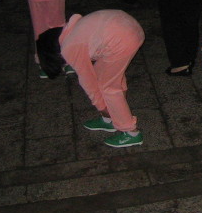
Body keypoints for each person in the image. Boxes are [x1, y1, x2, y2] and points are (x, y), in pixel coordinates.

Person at [36, 10, 146, 148]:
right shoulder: (73, 29)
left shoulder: (70, 47)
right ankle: (109, 120)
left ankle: (131, 133)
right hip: (131, 28)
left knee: (108, 87)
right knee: (106, 76)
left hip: (122, 39)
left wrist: (101, 107)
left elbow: (88, 81)